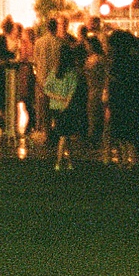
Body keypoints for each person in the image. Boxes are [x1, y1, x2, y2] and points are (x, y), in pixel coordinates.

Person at [106, 26, 139, 167]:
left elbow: (114, 78)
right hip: (138, 97)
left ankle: (126, 160)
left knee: (122, 130)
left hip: (122, 97)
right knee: (137, 128)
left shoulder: (120, 58)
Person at [43, 30, 85, 171]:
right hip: (66, 106)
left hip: (54, 105)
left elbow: (46, 88)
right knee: (64, 135)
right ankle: (59, 161)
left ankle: (69, 161)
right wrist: (65, 101)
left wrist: (55, 96)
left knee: (64, 134)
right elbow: (73, 90)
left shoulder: (55, 72)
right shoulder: (72, 73)